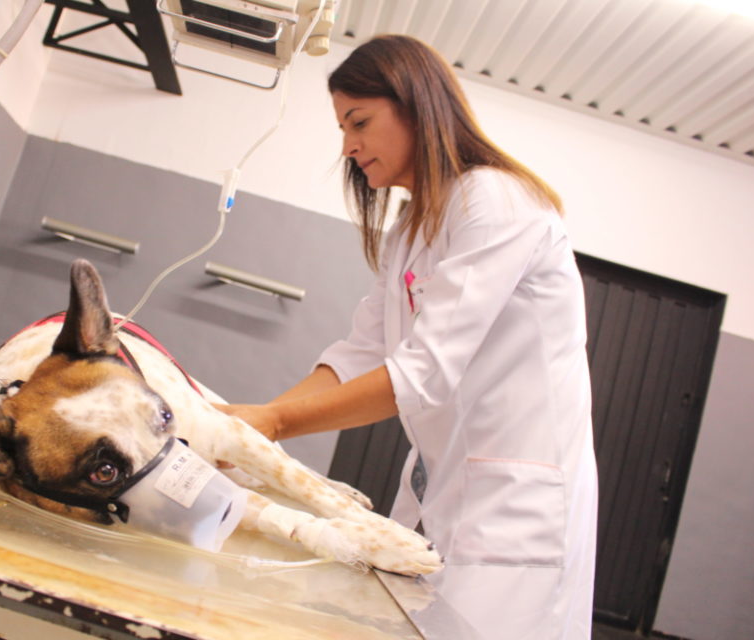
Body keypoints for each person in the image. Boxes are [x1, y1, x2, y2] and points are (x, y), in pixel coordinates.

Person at [218, 35, 598, 638]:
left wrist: (275, 427)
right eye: (343, 127)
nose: (348, 146)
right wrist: (248, 427)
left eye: (360, 122)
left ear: (417, 104)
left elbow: (424, 372)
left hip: (517, 510)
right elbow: (359, 353)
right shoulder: (409, 231)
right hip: (449, 496)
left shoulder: (495, 201)